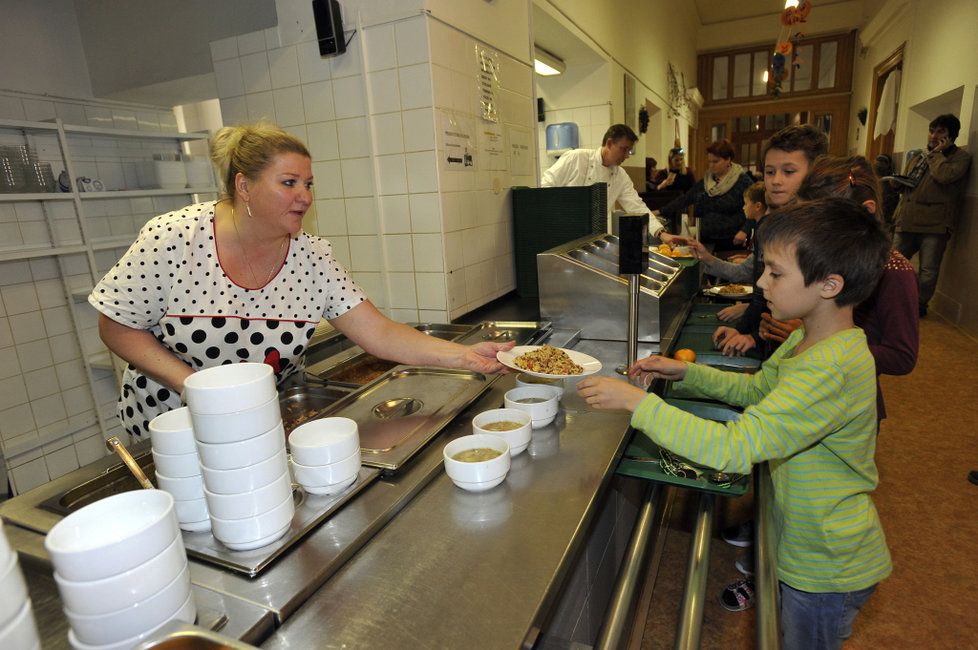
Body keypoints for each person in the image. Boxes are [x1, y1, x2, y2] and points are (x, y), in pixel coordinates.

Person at [578, 197, 893, 649]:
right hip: (804, 542)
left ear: (829, 284)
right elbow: (756, 392)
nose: (761, 282)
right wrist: (687, 371)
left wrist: (637, 405)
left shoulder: (832, 368)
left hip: (825, 565)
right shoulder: (810, 339)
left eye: (776, 273)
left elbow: (735, 447)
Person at [89, 122, 514, 437]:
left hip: (264, 424)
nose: (305, 196)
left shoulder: (311, 256)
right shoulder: (176, 238)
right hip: (171, 428)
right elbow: (116, 325)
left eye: (308, 184)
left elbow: (379, 333)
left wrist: (465, 357)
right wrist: (195, 386)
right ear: (245, 186)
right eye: (289, 182)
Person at [712, 124, 828, 356]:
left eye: (789, 172)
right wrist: (746, 333)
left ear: (814, 173)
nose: (776, 181)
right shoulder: (768, 225)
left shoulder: (826, 232)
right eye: (770, 171)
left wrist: (809, 330)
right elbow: (759, 294)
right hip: (772, 343)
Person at [542, 124, 681, 244]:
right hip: (564, 235)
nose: (627, 156)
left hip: (595, 237)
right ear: (609, 143)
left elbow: (637, 206)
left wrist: (662, 233)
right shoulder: (577, 158)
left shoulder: (620, 176)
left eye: (629, 151)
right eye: (624, 149)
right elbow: (546, 185)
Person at [890, 114, 972, 317]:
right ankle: (887, 298)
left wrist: (937, 154)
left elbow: (945, 176)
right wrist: (897, 183)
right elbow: (910, 183)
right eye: (932, 130)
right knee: (890, 262)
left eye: (940, 132)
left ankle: (919, 305)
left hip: (934, 225)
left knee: (928, 270)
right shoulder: (918, 156)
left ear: (951, 135)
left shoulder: (960, 158)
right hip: (907, 219)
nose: (934, 136)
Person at [688, 181, 766, 323]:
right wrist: (706, 256)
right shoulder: (761, 231)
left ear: (758, 206)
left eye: (746, 203)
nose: (743, 207)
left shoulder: (766, 234)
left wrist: (749, 308)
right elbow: (744, 270)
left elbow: (741, 273)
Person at [656, 139, 754, 251]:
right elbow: (685, 199)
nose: (711, 166)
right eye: (709, 161)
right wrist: (660, 211)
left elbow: (756, 208)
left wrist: (744, 231)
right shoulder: (706, 181)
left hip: (732, 240)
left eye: (715, 161)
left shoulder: (743, 181)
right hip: (706, 238)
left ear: (728, 160)